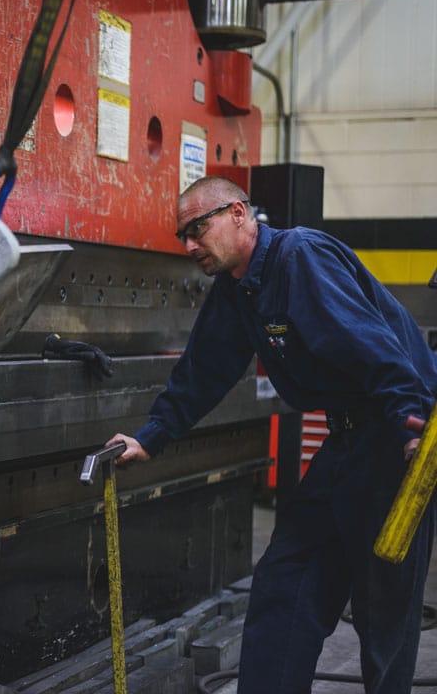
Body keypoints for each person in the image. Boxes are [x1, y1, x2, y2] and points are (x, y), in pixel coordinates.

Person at [106, 175, 437, 693]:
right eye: (183, 236)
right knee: (285, 582)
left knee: (383, 606)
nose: (190, 245)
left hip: (396, 436)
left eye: (198, 227)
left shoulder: (299, 257)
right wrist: (150, 437)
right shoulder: (236, 288)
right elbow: (203, 371)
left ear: (239, 214)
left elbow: (377, 349)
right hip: (347, 439)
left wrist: (412, 424)